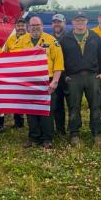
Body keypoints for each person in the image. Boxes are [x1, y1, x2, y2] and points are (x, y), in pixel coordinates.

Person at [12, 16, 64, 149]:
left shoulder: (51, 40)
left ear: (42, 25)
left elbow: (58, 63)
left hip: (47, 81)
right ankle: (34, 137)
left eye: (38, 25)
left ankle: (47, 138)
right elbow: (13, 56)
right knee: (31, 110)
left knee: (46, 111)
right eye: (32, 25)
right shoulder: (22, 40)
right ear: (28, 27)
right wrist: (32, 51)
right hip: (29, 82)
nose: (35, 27)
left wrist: (55, 81)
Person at [59, 11, 101, 147]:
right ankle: (74, 133)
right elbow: (59, 59)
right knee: (74, 107)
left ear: (87, 22)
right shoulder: (65, 38)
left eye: (82, 20)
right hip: (73, 77)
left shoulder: (95, 37)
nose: (80, 23)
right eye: (77, 20)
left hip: (92, 76)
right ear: (72, 22)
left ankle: (97, 134)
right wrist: (64, 76)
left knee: (96, 106)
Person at [2, 18, 28, 128]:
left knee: (26, 97)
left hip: (26, 72)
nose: (21, 27)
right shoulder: (10, 40)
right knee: (17, 96)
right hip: (14, 74)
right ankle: (18, 122)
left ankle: (29, 119)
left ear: (26, 26)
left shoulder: (30, 38)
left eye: (23, 25)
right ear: (15, 27)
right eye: (19, 25)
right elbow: (5, 54)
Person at [51, 13, 69, 135]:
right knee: (57, 104)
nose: (57, 24)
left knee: (73, 104)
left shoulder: (70, 37)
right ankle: (60, 129)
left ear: (64, 23)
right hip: (55, 76)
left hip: (68, 76)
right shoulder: (49, 38)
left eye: (59, 22)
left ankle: (73, 130)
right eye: (55, 22)